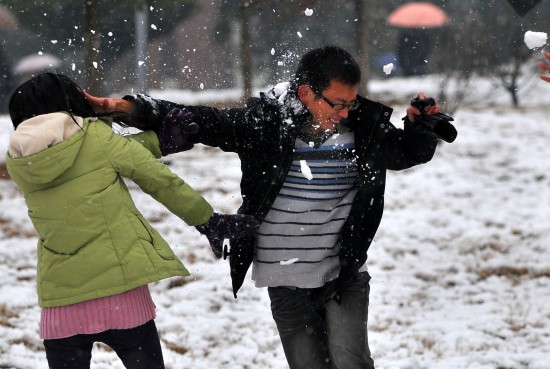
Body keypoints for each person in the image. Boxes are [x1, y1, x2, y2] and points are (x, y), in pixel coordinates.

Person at [87, 46, 448, 369]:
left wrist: (420, 128)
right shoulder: (266, 124)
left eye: (350, 103)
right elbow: (204, 121)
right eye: (336, 103)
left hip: (343, 273)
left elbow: (405, 152)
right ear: (306, 92)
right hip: (284, 276)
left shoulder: (362, 126)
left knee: (351, 361)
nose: (343, 113)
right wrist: (130, 108)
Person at [5, 73, 258, 369]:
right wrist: (208, 221)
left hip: (61, 303)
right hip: (119, 291)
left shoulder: (20, 160)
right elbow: (157, 179)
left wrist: (156, 141)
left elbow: (90, 159)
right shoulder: (95, 136)